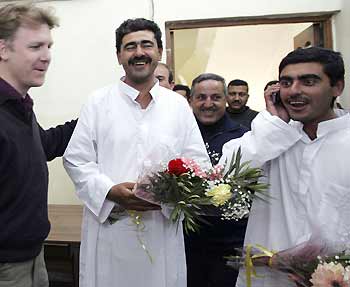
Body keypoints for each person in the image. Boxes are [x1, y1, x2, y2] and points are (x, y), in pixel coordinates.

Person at [63, 18, 210, 287]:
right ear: (119, 55)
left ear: (159, 52)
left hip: (160, 227)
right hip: (111, 225)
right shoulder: (98, 102)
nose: (139, 52)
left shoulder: (177, 106)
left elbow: (198, 163)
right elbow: (76, 159)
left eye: (146, 45)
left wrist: (169, 193)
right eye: (130, 47)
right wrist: (110, 191)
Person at [219, 47, 348, 287]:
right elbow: (224, 175)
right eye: (286, 83)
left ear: (337, 87)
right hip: (268, 278)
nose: (294, 91)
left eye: (309, 81)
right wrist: (277, 125)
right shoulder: (272, 135)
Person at [0, 3, 76, 286]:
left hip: (32, 257)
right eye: (35, 47)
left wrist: (96, 114)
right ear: (3, 49)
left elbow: (43, 146)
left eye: (49, 46)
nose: (46, 57)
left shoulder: (19, 107)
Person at [186, 73, 248, 287]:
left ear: (226, 100)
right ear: (191, 100)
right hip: (186, 243)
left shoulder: (244, 138)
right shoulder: (178, 136)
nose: (208, 104)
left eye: (216, 97)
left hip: (230, 244)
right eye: (201, 97)